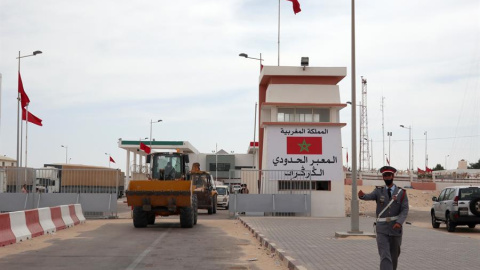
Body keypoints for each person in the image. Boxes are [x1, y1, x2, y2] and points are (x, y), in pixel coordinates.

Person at [358, 166, 409, 270]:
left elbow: (405, 209)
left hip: (396, 229)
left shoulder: (401, 193)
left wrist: (399, 222)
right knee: (385, 255)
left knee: (394, 256)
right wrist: (362, 196)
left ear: (393, 176)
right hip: (382, 229)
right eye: (384, 176)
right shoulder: (378, 191)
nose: (386, 178)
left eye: (388, 175)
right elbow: (369, 196)